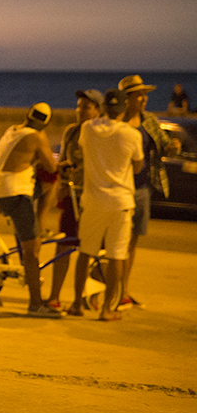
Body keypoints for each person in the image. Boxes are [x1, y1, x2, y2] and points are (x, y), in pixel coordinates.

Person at [68, 89, 144, 321]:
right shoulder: (131, 134)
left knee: (85, 252)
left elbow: (83, 150)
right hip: (120, 201)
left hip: (92, 201)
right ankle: (107, 309)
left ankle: (76, 304)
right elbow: (138, 166)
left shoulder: (87, 129)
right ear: (124, 109)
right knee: (116, 256)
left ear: (103, 108)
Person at [0, 102, 61, 317]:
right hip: (16, 195)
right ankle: (36, 304)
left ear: (28, 115)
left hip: (1, 190)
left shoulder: (12, 130)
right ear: (46, 124)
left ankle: (37, 229)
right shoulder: (37, 136)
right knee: (31, 252)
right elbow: (51, 166)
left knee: (47, 184)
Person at [118, 74, 181, 310]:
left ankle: (124, 291)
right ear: (127, 98)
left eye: (145, 95)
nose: (144, 99)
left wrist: (173, 147)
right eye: (139, 95)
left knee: (131, 243)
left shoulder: (149, 121)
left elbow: (165, 147)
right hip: (119, 189)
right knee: (116, 243)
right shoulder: (115, 122)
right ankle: (109, 289)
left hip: (142, 187)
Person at [45, 89, 102, 310]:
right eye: (79, 106)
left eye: (86, 107)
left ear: (98, 111)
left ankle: (91, 297)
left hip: (94, 197)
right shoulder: (71, 131)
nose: (80, 111)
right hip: (72, 196)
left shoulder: (102, 133)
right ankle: (54, 296)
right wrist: (60, 184)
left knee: (96, 250)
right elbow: (63, 159)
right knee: (64, 245)